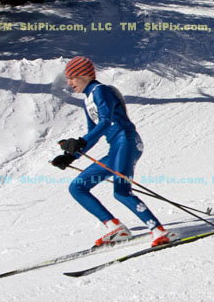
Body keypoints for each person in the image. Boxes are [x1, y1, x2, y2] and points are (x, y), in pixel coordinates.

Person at [51, 56, 170, 247]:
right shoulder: (87, 101)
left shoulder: (101, 91)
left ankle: (159, 231)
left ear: (84, 75)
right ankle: (115, 227)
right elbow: (93, 133)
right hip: (115, 149)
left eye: (72, 77)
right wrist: (70, 156)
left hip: (127, 142)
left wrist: (79, 142)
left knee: (121, 192)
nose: (70, 83)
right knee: (77, 187)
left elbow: (105, 122)